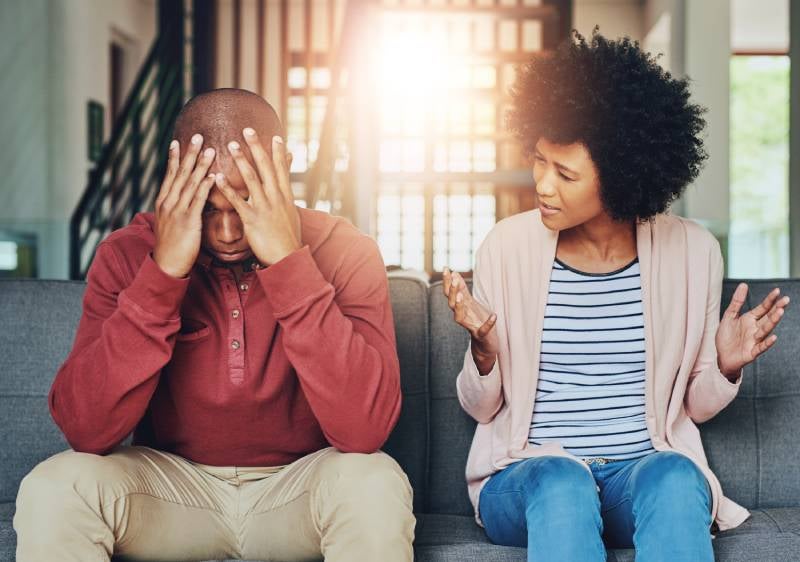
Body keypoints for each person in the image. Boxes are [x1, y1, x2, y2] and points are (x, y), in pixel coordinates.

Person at [14, 88, 414, 562]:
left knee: (376, 482)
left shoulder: (346, 251)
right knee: (54, 487)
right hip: (173, 492)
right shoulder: (125, 253)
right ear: (175, 180)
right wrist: (164, 275)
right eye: (207, 208)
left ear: (281, 173)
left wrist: (288, 262)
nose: (226, 233)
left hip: (301, 489)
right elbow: (86, 429)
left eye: (246, 203)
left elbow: (365, 431)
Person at [442, 29, 790, 561]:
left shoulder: (692, 253)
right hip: (531, 476)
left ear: (623, 176)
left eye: (565, 172)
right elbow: (482, 406)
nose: (542, 184)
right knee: (562, 482)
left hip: (640, 477)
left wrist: (723, 364)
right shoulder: (506, 248)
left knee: (676, 474)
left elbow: (693, 407)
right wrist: (483, 350)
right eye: (539, 160)